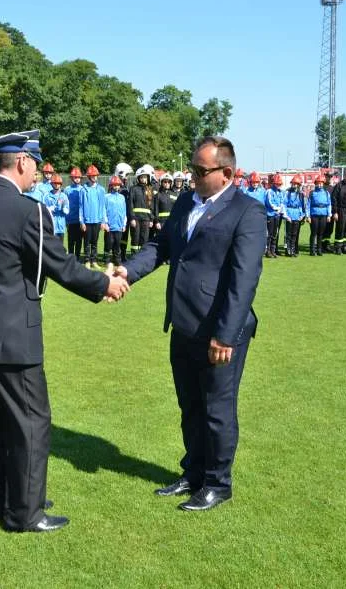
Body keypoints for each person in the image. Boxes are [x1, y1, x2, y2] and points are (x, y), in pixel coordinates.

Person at [0, 129, 128, 533]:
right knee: (31, 421)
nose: (40, 176)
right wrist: (105, 285)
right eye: (37, 165)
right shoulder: (30, 211)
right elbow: (61, 267)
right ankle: (27, 514)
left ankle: (6, 502)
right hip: (14, 335)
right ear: (23, 162)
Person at [115, 136, 265, 512]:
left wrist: (225, 334)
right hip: (183, 325)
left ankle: (218, 482)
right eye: (192, 170)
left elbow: (243, 279)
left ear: (227, 173)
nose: (192, 178)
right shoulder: (186, 201)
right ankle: (193, 472)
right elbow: (160, 247)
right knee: (191, 406)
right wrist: (126, 273)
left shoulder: (247, 212)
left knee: (217, 408)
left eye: (200, 171)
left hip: (218, 332)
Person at [79, 165, 107, 268]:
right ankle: (87, 260)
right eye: (93, 175)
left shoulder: (101, 190)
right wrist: (81, 222)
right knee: (87, 242)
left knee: (95, 242)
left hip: (97, 220)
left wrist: (103, 221)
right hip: (87, 221)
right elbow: (81, 207)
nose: (95, 177)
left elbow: (103, 206)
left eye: (96, 175)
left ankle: (94, 261)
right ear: (89, 177)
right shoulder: (83, 190)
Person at [103, 176, 128, 272]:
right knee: (109, 243)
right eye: (114, 185)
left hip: (119, 225)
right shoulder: (107, 197)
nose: (116, 187)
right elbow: (103, 210)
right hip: (110, 225)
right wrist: (105, 223)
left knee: (117, 243)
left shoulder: (122, 197)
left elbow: (124, 211)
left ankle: (116, 259)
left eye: (118, 185)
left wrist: (124, 224)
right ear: (111, 186)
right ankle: (107, 259)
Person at [128, 166, 154, 255]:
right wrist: (132, 218)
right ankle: (134, 255)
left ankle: (141, 257)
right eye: (142, 177)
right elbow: (130, 203)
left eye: (145, 177)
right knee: (135, 238)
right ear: (138, 178)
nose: (143, 179)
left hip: (146, 219)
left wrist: (151, 219)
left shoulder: (150, 189)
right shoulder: (133, 189)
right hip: (136, 218)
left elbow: (152, 206)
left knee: (144, 238)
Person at [282, 174, 307, 256]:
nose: (295, 185)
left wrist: (302, 215)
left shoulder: (300, 194)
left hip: (297, 215)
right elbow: (284, 204)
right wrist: (286, 216)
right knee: (288, 234)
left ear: (299, 185)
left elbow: (301, 205)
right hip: (289, 214)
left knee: (294, 234)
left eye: (296, 184)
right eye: (293, 183)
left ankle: (293, 249)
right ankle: (288, 250)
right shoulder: (287, 193)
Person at [63, 167, 84, 261]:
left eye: (78, 177)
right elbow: (64, 205)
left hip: (80, 221)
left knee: (79, 240)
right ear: (72, 178)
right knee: (71, 241)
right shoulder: (67, 189)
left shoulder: (83, 189)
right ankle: (71, 258)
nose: (77, 179)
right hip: (70, 220)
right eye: (75, 177)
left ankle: (78, 258)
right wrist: (66, 219)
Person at [307, 175, 331, 256]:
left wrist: (329, 215)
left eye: (321, 183)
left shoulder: (326, 193)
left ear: (323, 184)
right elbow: (308, 205)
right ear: (316, 184)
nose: (320, 185)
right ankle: (312, 250)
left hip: (323, 214)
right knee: (314, 233)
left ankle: (319, 249)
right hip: (314, 214)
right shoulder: (312, 193)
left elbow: (329, 204)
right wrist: (308, 216)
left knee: (321, 233)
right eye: (318, 183)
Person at [263, 174, 284, 258]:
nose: (278, 185)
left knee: (275, 233)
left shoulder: (281, 192)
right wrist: (276, 208)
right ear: (274, 183)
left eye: (279, 184)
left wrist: (280, 209)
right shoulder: (269, 191)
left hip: (277, 215)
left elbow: (282, 201)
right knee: (270, 233)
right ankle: (268, 251)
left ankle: (273, 250)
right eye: (277, 184)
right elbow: (269, 202)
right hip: (270, 214)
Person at [45, 174, 69, 239]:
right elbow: (43, 210)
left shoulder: (64, 196)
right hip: (51, 225)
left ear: (60, 184)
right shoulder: (47, 196)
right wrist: (49, 209)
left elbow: (67, 209)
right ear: (52, 184)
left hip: (61, 226)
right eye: (55, 183)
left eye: (58, 183)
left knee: (60, 246)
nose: (56, 185)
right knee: (51, 246)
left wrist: (65, 209)